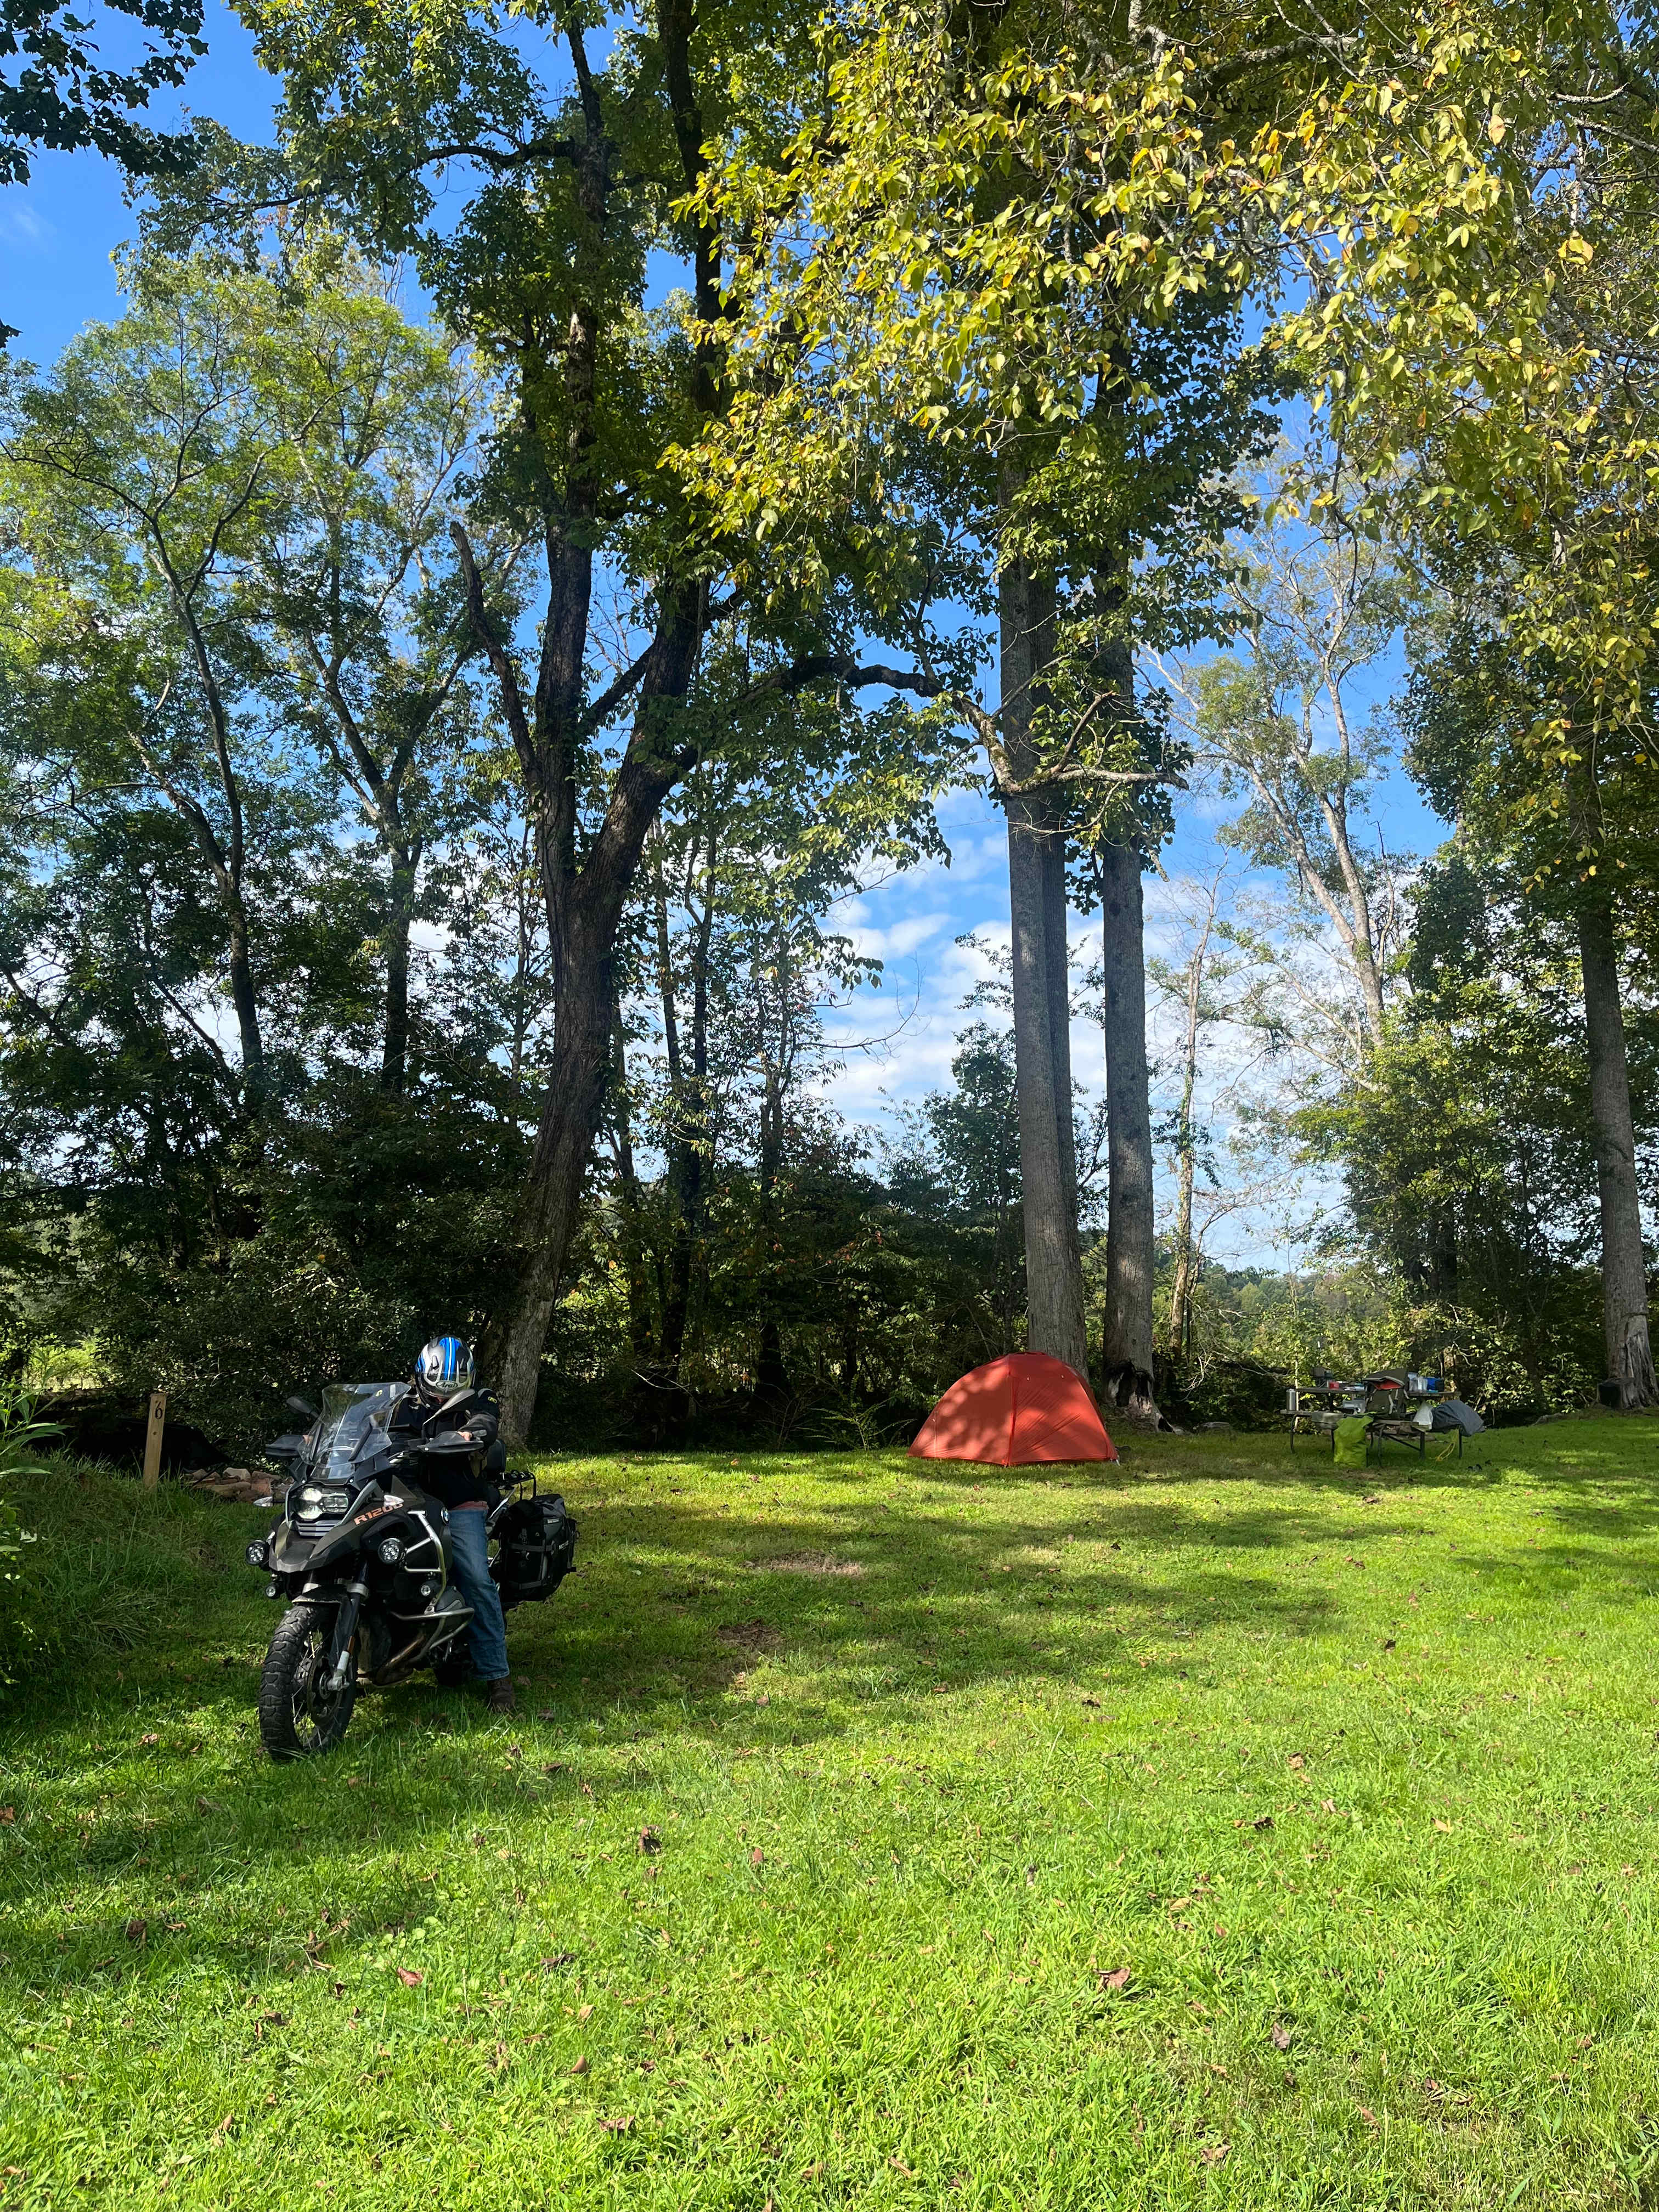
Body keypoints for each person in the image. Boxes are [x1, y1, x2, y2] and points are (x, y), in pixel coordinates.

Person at [395, 1335, 515, 1716]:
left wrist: (470, 1434)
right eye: (437, 1386)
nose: (442, 1394)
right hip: (405, 1499)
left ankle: (497, 1677)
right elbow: (369, 1428)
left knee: (475, 1577)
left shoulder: (481, 1399)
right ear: (421, 1377)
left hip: (459, 1501)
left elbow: (486, 1422)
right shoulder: (400, 1402)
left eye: (452, 1386)